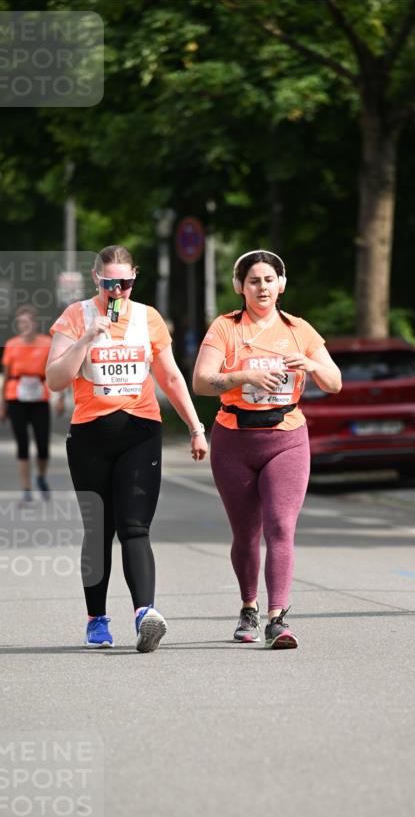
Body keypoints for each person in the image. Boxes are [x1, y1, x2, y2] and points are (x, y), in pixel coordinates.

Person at [46, 244, 208, 652]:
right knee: (98, 530)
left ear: (136, 276)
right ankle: (96, 620)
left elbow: (170, 376)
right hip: (89, 435)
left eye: (127, 282)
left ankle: (145, 616)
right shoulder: (75, 316)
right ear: (95, 278)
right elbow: (54, 379)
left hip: (140, 432)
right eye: (110, 282)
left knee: (135, 528)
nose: (118, 291)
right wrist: (86, 337)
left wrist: (195, 427)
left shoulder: (148, 318)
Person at [193, 249, 341, 649]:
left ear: (282, 285)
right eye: (254, 280)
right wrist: (244, 376)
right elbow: (202, 382)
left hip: (287, 437)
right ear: (240, 286)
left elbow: (335, 382)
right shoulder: (226, 328)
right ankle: (248, 606)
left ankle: (279, 618)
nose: (262, 287)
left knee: (281, 527)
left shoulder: (300, 330)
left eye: (269, 280)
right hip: (234, 438)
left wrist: (311, 366)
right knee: (246, 533)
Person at [0, 304, 65, 502]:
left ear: (35, 324)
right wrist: (2, 404)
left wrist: (60, 397)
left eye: (27, 322)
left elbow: (57, 371)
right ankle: (26, 488)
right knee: (22, 444)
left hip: (39, 399)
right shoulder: (12, 345)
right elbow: (5, 376)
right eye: (21, 323)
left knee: (43, 444)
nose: (24, 326)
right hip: (16, 398)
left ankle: (41, 477)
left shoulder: (46, 343)